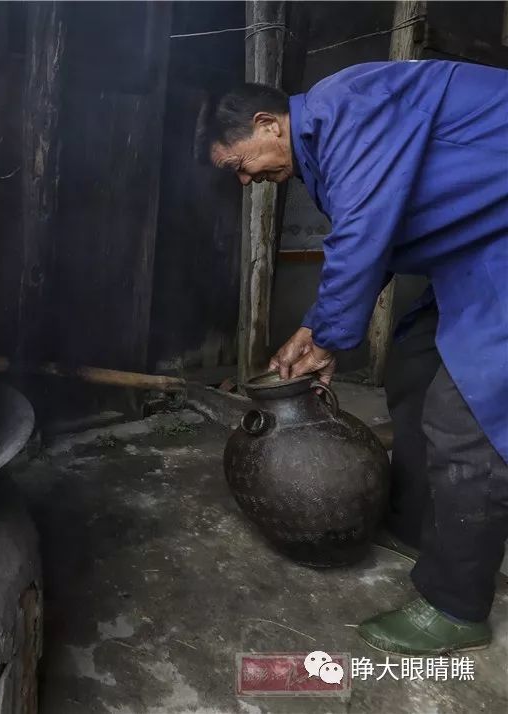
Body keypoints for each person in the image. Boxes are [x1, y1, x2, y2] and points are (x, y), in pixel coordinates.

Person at [196, 60, 508, 655]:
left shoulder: (346, 107)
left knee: (466, 411)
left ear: (267, 124)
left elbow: (363, 233)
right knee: (415, 359)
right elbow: (384, 232)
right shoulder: (327, 139)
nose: (247, 180)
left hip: (497, 240)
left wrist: (331, 335)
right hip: (488, 235)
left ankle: (457, 606)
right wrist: (319, 328)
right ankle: (421, 523)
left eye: (241, 165)